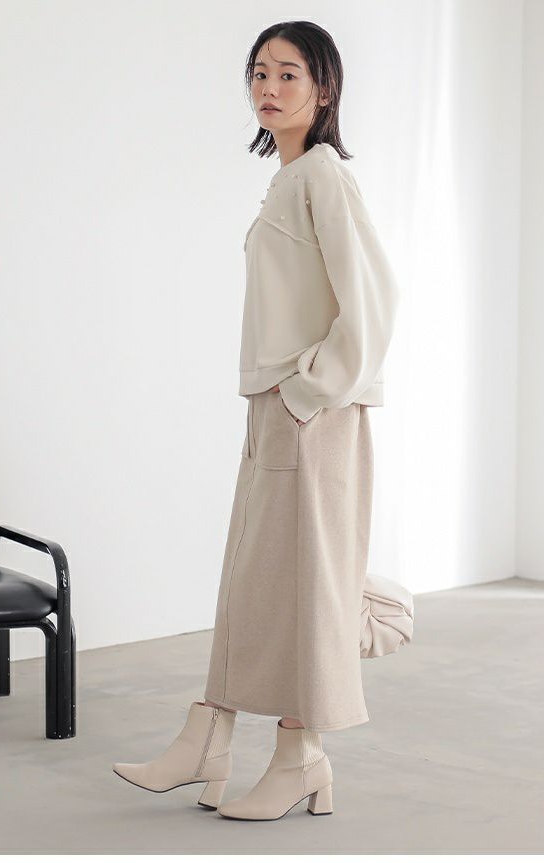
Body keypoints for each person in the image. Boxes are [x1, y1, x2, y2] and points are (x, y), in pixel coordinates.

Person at [113, 20, 401, 821]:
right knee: (257, 580)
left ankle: (298, 757)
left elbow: (374, 303)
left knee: (305, 589)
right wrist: (281, 398)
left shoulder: (322, 177)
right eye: (259, 72)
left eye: (288, 74)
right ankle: (208, 738)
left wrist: (307, 394)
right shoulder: (289, 179)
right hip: (278, 406)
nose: (268, 88)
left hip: (312, 412)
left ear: (325, 87)